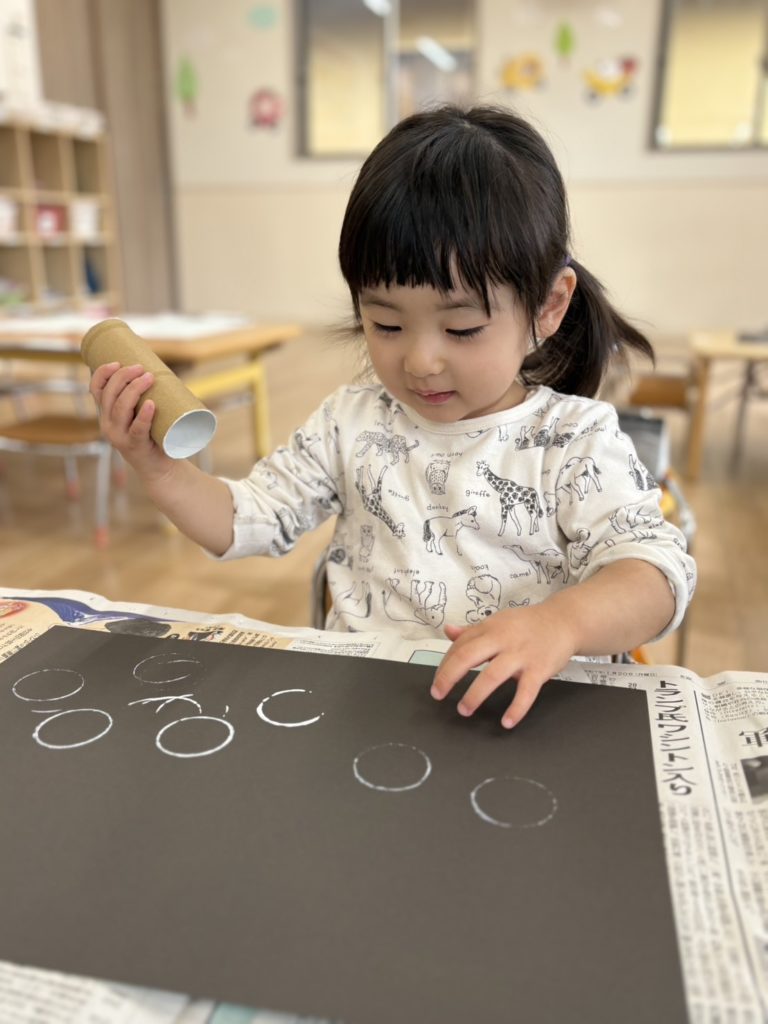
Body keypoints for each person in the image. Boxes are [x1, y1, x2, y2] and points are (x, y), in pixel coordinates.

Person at [89, 104, 695, 729]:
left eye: (462, 328)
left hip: (521, 721)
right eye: (386, 324)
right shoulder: (350, 423)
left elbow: (656, 575)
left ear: (548, 307)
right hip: (368, 712)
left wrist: (560, 623)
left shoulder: (574, 441)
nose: (421, 361)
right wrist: (161, 470)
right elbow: (245, 519)